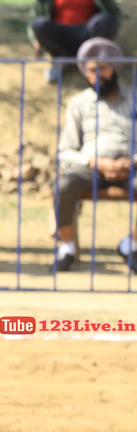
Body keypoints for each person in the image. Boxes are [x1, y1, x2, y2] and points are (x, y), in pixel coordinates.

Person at [52, 38, 137, 273]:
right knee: (62, 186)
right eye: (92, 69)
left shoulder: (134, 98)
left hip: (131, 166)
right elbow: (65, 151)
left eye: (103, 67)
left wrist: (133, 161)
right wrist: (95, 162)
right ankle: (67, 248)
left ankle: (130, 244)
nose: (98, 74)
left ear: (115, 68)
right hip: (91, 167)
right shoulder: (78, 103)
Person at [30, 0, 121, 83]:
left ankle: (93, 63)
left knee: (105, 20)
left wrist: (113, 31)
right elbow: (36, 15)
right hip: (60, 33)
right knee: (39, 25)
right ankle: (60, 61)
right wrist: (35, 40)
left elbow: (113, 12)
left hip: (87, 32)